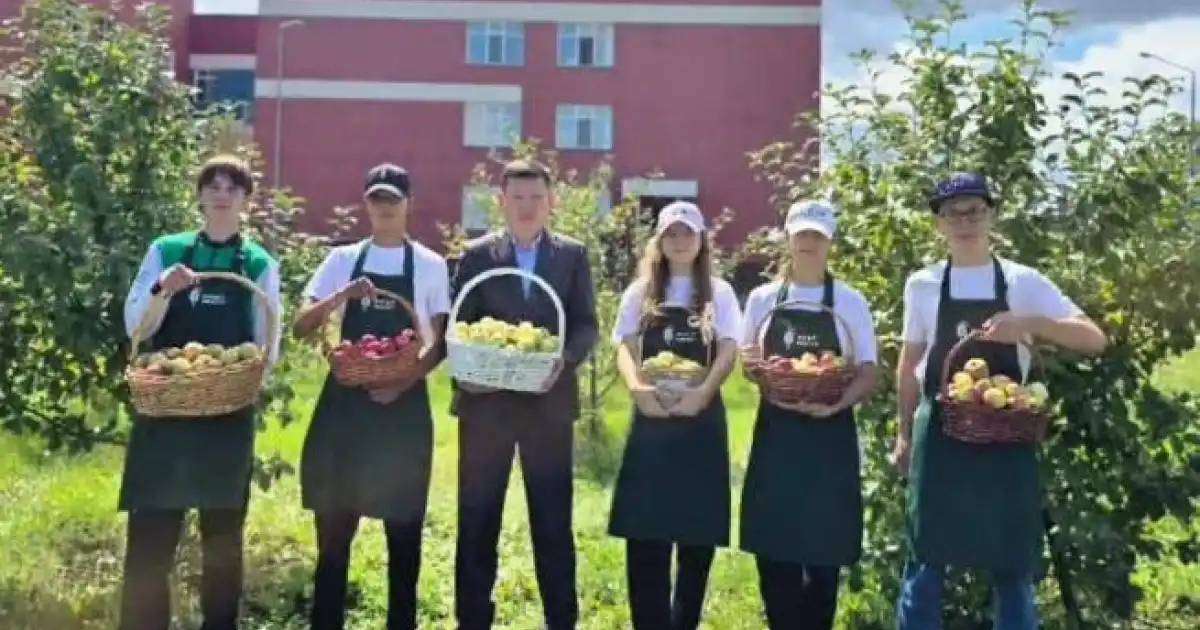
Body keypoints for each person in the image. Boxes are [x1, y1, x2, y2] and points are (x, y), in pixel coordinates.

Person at [890, 173, 1107, 629]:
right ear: (939, 223)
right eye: (953, 212)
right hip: (941, 437)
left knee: (1012, 562)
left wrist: (1029, 322)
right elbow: (910, 362)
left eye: (975, 210)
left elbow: (1094, 339)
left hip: (1007, 438)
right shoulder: (923, 284)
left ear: (991, 214)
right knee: (925, 559)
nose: (965, 221)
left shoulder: (1022, 281)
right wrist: (904, 434)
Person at [119, 154, 282, 630]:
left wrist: (233, 383)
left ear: (245, 199)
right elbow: (136, 327)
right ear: (199, 195)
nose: (221, 192)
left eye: (232, 185)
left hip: (225, 421)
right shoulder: (165, 252)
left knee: (223, 546)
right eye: (212, 184)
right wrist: (162, 291)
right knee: (149, 545)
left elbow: (266, 346)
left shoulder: (257, 263)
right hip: (164, 417)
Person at [292, 164, 450, 630]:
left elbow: (438, 342)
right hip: (344, 410)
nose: (384, 207)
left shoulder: (429, 264)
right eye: (376, 199)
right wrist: (339, 297)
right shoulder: (341, 260)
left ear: (408, 204)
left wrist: (401, 383)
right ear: (366, 203)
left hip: (401, 415)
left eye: (393, 199)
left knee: (404, 540)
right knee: (334, 540)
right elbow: (303, 327)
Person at [451, 159, 598, 630]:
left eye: (536, 197)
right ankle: (473, 619)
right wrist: (465, 375)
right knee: (477, 521)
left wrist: (565, 360)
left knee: (553, 524)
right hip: (486, 407)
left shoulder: (572, 255)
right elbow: (458, 323)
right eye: (518, 198)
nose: (527, 207)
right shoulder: (477, 255)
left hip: (548, 407)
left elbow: (586, 324)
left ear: (551, 202)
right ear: (502, 202)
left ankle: (561, 620)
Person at [739, 200, 880, 629]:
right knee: (774, 547)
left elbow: (869, 371)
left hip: (829, 435)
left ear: (830, 243)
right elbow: (750, 362)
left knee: (824, 552)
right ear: (788, 238)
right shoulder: (763, 300)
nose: (808, 244)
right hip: (778, 434)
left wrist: (837, 402)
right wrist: (766, 378)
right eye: (801, 235)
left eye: (817, 236)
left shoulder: (850, 302)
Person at [608, 201, 741, 629]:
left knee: (696, 534)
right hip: (652, 419)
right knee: (646, 533)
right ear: (660, 241)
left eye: (688, 233)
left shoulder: (718, 293)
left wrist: (702, 394)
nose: (680, 241)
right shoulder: (640, 292)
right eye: (672, 233)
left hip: (699, 420)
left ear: (701, 241)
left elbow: (728, 350)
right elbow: (625, 347)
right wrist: (638, 391)